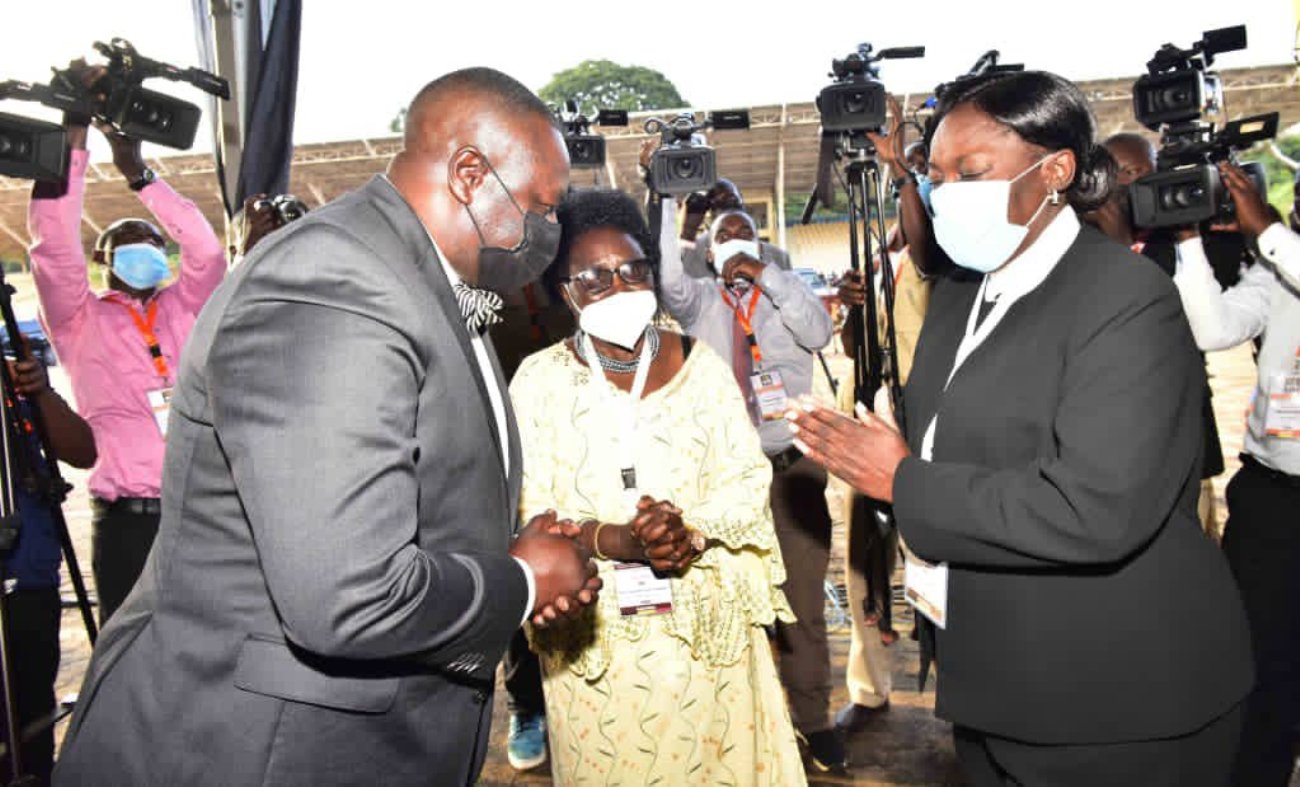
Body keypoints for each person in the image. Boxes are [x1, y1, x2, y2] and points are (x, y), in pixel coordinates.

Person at [53, 67, 601, 787]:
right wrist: (521, 580)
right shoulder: (334, 285)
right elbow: (350, 593)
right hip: (262, 750)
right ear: (470, 173)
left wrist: (503, 550)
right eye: (540, 205)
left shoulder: (419, 281)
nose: (547, 232)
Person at [787, 70, 1252, 785]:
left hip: (1119, 703)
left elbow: (1097, 507)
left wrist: (903, 478)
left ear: (1056, 171)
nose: (946, 195)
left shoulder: (1126, 301)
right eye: (935, 175)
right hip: (996, 686)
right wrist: (880, 454)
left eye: (970, 173)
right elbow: (941, 445)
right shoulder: (959, 293)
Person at [512, 187, 803, 785]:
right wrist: (613, 538)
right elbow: (526, 510)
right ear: (564, 292)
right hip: (598, 655)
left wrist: (688, 533)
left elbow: (747, 482)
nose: (619, 288)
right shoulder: (538, 383)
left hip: (707, 641)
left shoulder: (704, 369)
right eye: (594, 279)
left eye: (632, 271)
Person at [28, 77, 228, 627]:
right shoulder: (78, 318)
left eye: (151, 239)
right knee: (133, 661)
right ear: (104, 257)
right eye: (128, 241)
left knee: (214, 654)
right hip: (129, 523)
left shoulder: (189, 305)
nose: (144, 246)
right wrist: (74, 137)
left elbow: (207, 249)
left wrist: (138, 174)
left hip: (208, 512)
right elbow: (53, 243)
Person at [656, 195, 840, 771]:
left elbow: (818, 334)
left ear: (760, 246)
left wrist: (768, 275)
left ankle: (813, 719)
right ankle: (735, 719)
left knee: (803, 604)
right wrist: (666, 199)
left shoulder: (787, 294)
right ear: (709, 253)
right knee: (726, 602)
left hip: (792, 470)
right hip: (722, 480)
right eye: (723, 233)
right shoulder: (699, 302)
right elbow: (666, 275)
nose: (735, 237)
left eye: (745, 231)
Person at [1170, 160, 1300, 787]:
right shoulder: (1279, 271)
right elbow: (1212, 327)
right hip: (1273, 500)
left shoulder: (1283, 250)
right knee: (1265, 664)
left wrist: (1271, 233)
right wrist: (1190, 239)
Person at [1084, 132, 1227, 534]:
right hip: (1109, 444)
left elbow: (1193, 325)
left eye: (1136, 171)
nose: (1126, 184)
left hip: (1183, 439)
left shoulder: (1188, 242)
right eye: (1115, 174)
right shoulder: (1079, 246)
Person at [488, 282, 576, 772]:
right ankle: (527, 707)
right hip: (507, 465)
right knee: (522, 580)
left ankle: (576, 696)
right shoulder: (484, 291)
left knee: (578, 578)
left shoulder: (567, 287)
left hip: (573, 456)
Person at [0, 341, 96, 786]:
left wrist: (40, 392)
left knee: (32, 719)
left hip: (28, 581)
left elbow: (82, 451)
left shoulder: (12, 384)